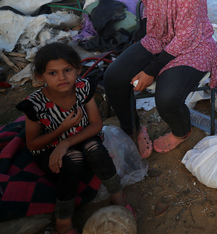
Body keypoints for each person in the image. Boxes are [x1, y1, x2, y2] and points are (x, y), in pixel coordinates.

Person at [104, 0, 217, 157]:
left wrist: (150, 70)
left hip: (193, 47)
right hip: (159, 39)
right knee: (114, 76)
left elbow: (186, 36)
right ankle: (132, 128)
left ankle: (181, 131)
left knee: (166, 98)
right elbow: (150, 15)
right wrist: (137, 50)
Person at [16, 43, 132, 234]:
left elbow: (96, 124)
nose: (62, 77)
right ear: (40, 77)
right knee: (73, 161)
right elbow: (32, 143)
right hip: (50, 152)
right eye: (52, 73)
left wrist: (67, 141)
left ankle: (118, 195)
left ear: (78, 69)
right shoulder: (34, 105)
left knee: (93, 147)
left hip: (81, 139)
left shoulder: (83, 88)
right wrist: (62, 130)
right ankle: (64, 220)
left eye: (67, 70)